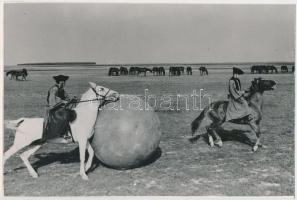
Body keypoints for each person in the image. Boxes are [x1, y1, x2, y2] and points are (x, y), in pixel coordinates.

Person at [42, 75, 76, 143]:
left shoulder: (62, 90)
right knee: (65, 115)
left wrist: (72, 100)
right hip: (52, 109)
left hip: (59, 107)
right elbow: (52, 102)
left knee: (72, 112)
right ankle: (63, 133)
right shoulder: (54, 89)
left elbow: (67, 99)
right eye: (61, 82)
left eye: (64, 82)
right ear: (58, 82)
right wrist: (62, 102)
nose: (63, 84)